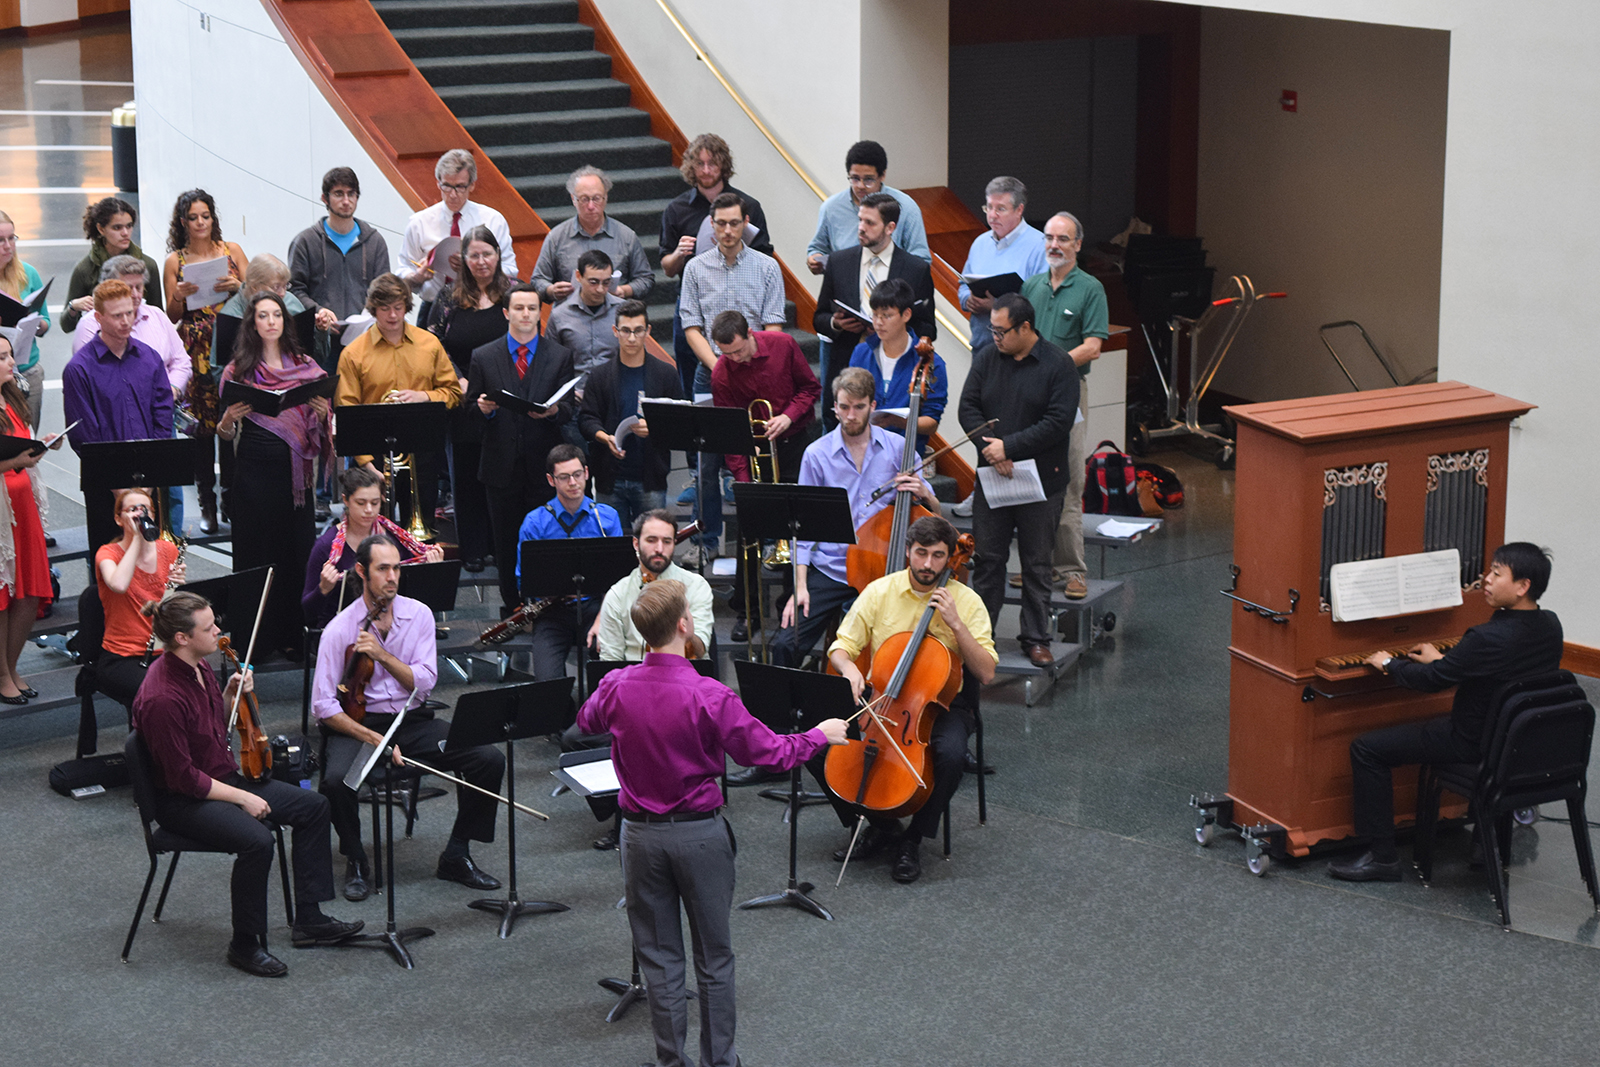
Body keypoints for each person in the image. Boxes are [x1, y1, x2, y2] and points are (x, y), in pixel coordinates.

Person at [575, 578, 848, 1067]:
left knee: (659, 961)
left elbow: (588, 721)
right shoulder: (710, 693)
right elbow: (769, 752)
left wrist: (617, 684)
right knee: (714, 959)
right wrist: (818, 736)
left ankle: (669, 1061)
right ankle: (719, 1062)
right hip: (699, 835)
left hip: (638, 836)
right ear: (684, 624)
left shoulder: (617, 686)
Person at [133, 591, 363, 976]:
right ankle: (244, 944)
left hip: (220, 778)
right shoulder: (161, 699)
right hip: (181, 802)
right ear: (182, 638)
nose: (218, 631)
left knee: (314, 807)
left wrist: (228, 697)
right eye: (208, 628)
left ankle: (309, 918)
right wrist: (242, 797)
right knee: (257, 842)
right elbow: (183, 778)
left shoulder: (199, 666)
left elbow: (209, 729)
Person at [1329, 543, 1566, 882]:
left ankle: (1381, 858)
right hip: (1519, 741)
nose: (1486, 580)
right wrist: (1447, 661)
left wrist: (1388, 663)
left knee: (1367, 749)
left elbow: (1431, 681)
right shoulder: (1549, 626)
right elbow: (1496, 670)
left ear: (1522, 586)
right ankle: (1486, 845)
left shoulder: (1488, 637)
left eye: (1496, 574)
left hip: (1471, 741)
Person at [314, 534, 505, 901]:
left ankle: (456, 853)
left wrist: (383, 657)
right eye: (382, 569)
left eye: (396, 568)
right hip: (358, 726)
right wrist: (373, 740)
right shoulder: (340, 630)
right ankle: (355, 859)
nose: (392, 577)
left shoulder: (418, 614)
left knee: (487, 758)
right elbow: (323, 707)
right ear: (361, 572)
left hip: (410, 720)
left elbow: (425, 683)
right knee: (336, 781)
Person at [819, 514, 996, 883]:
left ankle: (913, 837)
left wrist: (956, 624)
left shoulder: (967, 602)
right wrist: (850, 669)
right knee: (819, 742)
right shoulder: (880, 591)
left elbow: (986, 672)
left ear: (950, 558)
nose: (928, 564)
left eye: (937, 556)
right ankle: (883, 827)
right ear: (907, 552)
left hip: (943, 705)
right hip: (881, 698)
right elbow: (841, 646)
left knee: (949, 755)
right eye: (921, 554)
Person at [773, 368, 936, 671]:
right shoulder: (816, 454)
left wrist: (924, 493)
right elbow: (805, 526)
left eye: (859, 407)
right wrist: (801, 585)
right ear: (834, 406)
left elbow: (932, 513)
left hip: (883, 570)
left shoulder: (898, 449)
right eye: (844, 407)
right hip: (832, 568)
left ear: (873, 406)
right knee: (784, 644)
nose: (850, 415)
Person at [958, 293, 1077, 667]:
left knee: (1037, 562)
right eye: (992, 329)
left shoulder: (1059, 365)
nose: (994, 337)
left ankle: (1036, 637)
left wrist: (1010, 447)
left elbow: (1058, 422)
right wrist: (991, 449)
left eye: (1001, 331)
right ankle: (982, 635)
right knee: (988, 559)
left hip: (1041, 481)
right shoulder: (987, 359)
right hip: (993, 478)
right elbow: (967, 408)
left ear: (1025, 328)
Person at [217, 292, 333, 659]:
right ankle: (257, 642)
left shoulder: (305, 366)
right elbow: (224, 435)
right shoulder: (238, 370)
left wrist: (320, 412)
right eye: (263, 316)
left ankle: (294, 637)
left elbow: (321, 423)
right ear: (252, 324)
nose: (270, 321)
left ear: (285, 321)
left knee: (295, 556)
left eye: (276, 315)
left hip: (294, 479)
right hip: (252, 474)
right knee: (256, 557)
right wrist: (227, 421)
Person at [680, 197, 786, 560]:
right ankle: (706, 542)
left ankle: (770, 537)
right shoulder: (694, 269)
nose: (727, 231)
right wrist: (719, 366)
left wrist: (751, 363)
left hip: (757, 374)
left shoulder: (768, 267)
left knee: (762, 457)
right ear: (711, 224)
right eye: (720, 224)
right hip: (708, 371)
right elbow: (691, 326)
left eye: (734, 223)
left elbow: (773, 327)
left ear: (746, 223)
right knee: (706, 466)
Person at [466, 282, 576, 615]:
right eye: (519, 308)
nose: (526, 314)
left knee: (546, 538)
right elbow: (469, 410)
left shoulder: (559, 355)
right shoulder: (484, 356)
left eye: (531, 308)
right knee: (505, 539)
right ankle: (512, 605)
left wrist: (555, 411)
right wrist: (482, 410)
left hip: (544, 465)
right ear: (506, 313)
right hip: (501, 466)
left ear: (539, 313)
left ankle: (545, 602)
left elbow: (570, 407)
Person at [709, 310, 819, 641]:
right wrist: (745, 484)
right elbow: (729, 433)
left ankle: (792, 604)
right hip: (755, 451)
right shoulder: (721, 374)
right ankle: (749, 611)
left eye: (738, 351)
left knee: (795, 526)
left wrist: (788, 416)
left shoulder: (783, 345)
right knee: (748, 532)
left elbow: (811, 388)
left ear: (751, 334)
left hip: (794, 445)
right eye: (726, 354)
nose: (734, 359)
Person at [1021, 211, 1109, 602]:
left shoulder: (1090, 288)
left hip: (1068, 392)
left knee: (1070, 477)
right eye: (1049, 238)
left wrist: (1051, 365)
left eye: (1063, 239)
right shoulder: (1032, 285)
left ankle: (1072, 570)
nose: (1054, 245)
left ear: (1077, 245)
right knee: (1031, 480)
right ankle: (1035, 567)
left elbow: (1093, 346)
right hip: (1029, 393)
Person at [334, 273, 461, 534]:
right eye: (384, 309)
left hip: (422, 453)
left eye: (398, 308)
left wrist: (424, 396)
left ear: (407, 307)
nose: (392, 316)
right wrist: (369, 468)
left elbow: (453, 392)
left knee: (423, 531)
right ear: (373, 309)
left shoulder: (429, 345)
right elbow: (347, 412)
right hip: (375, 459)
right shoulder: (353, 354)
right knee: (376, 536)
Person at [658, 132, 775, 405]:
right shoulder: (676, 209)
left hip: (742, 301)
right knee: (692, 384)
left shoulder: (749, 206)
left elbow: (765, 255)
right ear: (691, 167)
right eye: (700, 164)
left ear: (723, 165)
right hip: (695, 301)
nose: (707, 170)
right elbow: (666, 267)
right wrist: (679, 253)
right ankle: (695, 446)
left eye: (713, 163)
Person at [61, 280, 176, 554]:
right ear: (98, 318)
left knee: (154, 561)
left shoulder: (149, 358)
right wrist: (119, 489)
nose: (126, 321)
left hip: (149, 477)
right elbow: (83, 435)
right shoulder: (79, 369)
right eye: (116, 315)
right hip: (105, 486)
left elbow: (162, 413)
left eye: (129, 313)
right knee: (109, 560)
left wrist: (150, 478)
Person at [161, 189, 248, 533]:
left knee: (230, 421)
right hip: (195, 345)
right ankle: (207, 505)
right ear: (183, 222)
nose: (201, 223)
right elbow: (170, 315)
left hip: (229, 341)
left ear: (214, 218)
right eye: (194, 217)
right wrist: (179, 296)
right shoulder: (175, 260)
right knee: (201, 428)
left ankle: (230, 499)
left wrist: (238, 285)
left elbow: (257, 293)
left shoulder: (232, 251)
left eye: (206, 216)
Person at [812, 192, 936, 429]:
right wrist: (836, 323)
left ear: (890, 227)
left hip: (894, 368)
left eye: (869, 223)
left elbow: (928, 326)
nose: (861, 228)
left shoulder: (915, 269)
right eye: (860, 220)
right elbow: (819, 318)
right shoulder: (839, 262)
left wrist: (896, 328)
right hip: (847, 359)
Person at [427, 225, 509, 570]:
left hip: (502, 400)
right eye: (473, 255)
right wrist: (456, 379)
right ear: (463, 260)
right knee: (465, 475)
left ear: (497, 255)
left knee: (500, 473)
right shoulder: (449, 299)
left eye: (487, 254)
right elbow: (433, 345)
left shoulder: (512, 294)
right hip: (461, 400)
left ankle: (499, 546)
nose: (481, 261)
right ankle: (472, 549)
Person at [515, 444, 624, 679]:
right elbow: (523, 578)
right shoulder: (534, 522)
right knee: (547, 683)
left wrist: (601, 620)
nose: (573, 482)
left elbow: (619, 579)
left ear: (586, 473)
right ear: (551, 480)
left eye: (577, 475)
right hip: (552, 612)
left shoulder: (606, 517)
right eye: (564, 477)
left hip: (596, 606)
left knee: (609, 670)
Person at [577, 299, 682, 531]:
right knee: (613, 550)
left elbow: (680, 423)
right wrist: (605, 437)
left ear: (648, 331)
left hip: (650, 478)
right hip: (609, 477)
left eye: (638, 331)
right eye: (626, 331)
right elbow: (586, 419)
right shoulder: (600, 375)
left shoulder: (666, 374)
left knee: (651, 545)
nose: (632, 338)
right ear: (616, 332)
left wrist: (654, 427)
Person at [302, 467, 442, 631]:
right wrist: (323, 590)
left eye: (375, 503)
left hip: (388, 627)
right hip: (341, 632)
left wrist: (432, 570)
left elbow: (413, 593)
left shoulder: (395, 538)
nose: (369, 510)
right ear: (345, 500)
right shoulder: (325, 547)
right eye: (361, 503)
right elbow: (308, 611)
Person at [287, 166, 392, 371]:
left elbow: (385, 289)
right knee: (326, 400)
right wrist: (318, 311)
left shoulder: (375, 241)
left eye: (351, 194)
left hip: (365, 341)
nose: (346, 201)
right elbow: (294, 290)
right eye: (338, 194)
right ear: (324, 199)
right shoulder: (305, 242)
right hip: (322, 342)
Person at [397, 149, 516, 326]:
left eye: (460, 187)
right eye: (446, 186)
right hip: (434, 306)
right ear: (438, 184)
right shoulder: (419, 222)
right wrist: (417, 277)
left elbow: (510, 269)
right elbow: (402, 269)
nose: (453, 194)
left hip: (483, 305)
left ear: (472, 185)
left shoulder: (492, 220)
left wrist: (475, 268)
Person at [0, 334, 55, 704]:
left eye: (9, 355)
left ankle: (12, 664)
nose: (11, 363)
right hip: (1, 510)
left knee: (29, 589)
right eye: (3, 358)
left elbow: (21, 443)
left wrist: (43, 445)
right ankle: (2, 673)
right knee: (4, 595)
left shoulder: (12, 398)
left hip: (24, 505)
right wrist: (16, 462)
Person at [94, 489, 185, 707]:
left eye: (144, 509)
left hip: (164, 649)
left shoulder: (168, 549)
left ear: (152, 515)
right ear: (118, 518)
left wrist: (179, 584)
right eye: (132, 509)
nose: (139, 514)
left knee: (201, 684)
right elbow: (118, 584)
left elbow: (169, 604)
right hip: (124, 656)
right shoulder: (107, 554)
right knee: (160, 697)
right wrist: (136, 538)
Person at [591, 509, 714, 663]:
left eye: (667, 541)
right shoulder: (617, 593)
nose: (659, 549)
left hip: (685, 678)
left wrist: (686, 632)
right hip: (635, 682)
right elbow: (611, 661)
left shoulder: (696, 585)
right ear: (636, 543)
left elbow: (701, 650)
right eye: (651, 540)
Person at [846, 277, 948, 453]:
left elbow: (931, 423)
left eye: (886, 315)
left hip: (904, 452)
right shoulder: (861, 352)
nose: (878, 322)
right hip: (862, 448)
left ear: (906, 314)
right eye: (875, 315)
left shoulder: (931, 363)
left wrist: (897, 421)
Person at [72, 254, 190, 402]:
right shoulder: (90, 325)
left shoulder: (157, 315)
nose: (135, 295)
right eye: (128, 288)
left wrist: (171, 389)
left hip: (163, 406)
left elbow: (182, 361)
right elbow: (90, 378)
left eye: (139, 287)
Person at [531, 165, 652, 303]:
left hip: (615, 315)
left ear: (606, 197)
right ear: (573, 199)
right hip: (570, 316)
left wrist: (623, 291)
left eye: (596, 198)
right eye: (584, 199)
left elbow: (646, 280)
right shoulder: (556, 237)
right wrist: (551, 290)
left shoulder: (626, 236)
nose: (590, 206)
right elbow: (537, 280)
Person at [804, 139, 930, 270]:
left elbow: (921, 259)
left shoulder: (906, 207)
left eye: (868, 179)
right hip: (845, 285)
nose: (861, 186)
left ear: (882, 176)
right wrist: (815, 258)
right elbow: (818, 247)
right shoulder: (831, 208)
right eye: (855, 179)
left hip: (891, 285)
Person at [957, 176, 1047, 349]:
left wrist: (997, 307)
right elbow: (962, 284)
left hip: (1020, 351)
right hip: (982, 347)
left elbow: (1041, 304)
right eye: (989, 207)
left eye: (1001, 209)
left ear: (1019, 210)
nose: (992, 215)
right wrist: (968, 299)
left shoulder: (1040, 246)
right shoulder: (980, 243)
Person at [60, 195, 161, 335]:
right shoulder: (85, 269)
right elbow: (66, 326)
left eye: (129, 226)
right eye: (117, 227)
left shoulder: (148, 265)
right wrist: (74, 307)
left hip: (141, 341)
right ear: (101, 229)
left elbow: (158, 316)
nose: (125, 233)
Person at [544, 249, 622, 398]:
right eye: (593, 282)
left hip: (614, 398)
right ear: (578, 276)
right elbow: (550, 365)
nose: (600, 289)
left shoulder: (623, 312)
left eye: (606, 283)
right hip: (575, 402)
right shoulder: (559, 316)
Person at [0, 211, 53, 429]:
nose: (8, 246)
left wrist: (34, 322)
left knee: (27, 435)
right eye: (0, 240)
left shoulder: (28, 274)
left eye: (12, 238)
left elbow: (46, 322)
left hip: (27, 368)